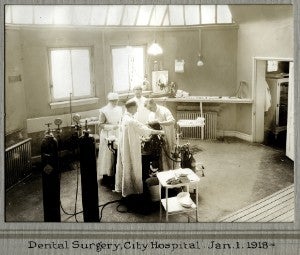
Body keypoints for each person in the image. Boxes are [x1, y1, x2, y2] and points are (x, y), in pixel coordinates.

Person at [115, 100, 164, 197]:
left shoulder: (124, 117)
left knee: (126, 165)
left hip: (125, 145)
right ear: (132, 108)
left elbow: (133, 131)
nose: (137, 109)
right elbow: (145, 130)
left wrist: (140, 137)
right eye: (136, 107)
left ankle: (127, 188)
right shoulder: (131, 120)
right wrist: (160, 132)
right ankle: (133, 189)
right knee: (133, 165)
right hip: (131, 147)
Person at [97, 92, 123, 186]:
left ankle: (116, 174)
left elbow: (121, 120)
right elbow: (100, 124)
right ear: (109, 101)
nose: (115, 102)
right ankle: (107, 175)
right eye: (113, 101)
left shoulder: (119, 109)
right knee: (107, 155)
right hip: (107, 134)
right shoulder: (104, 110)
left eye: (116, 101)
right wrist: (111, 127)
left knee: (117, 153)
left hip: (117, 133)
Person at [144, 99, 176, 170]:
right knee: (158, 155)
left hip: (167, 135)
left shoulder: (164, 110)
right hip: (156, 138)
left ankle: (170, 171)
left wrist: (160, 123)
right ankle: (161, 171)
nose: (150, 110)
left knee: (168, 154)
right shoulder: (151, 114)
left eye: (150, 108)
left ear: (153, 103)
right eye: (148, 109)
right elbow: (150, 126)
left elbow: (172, 121)